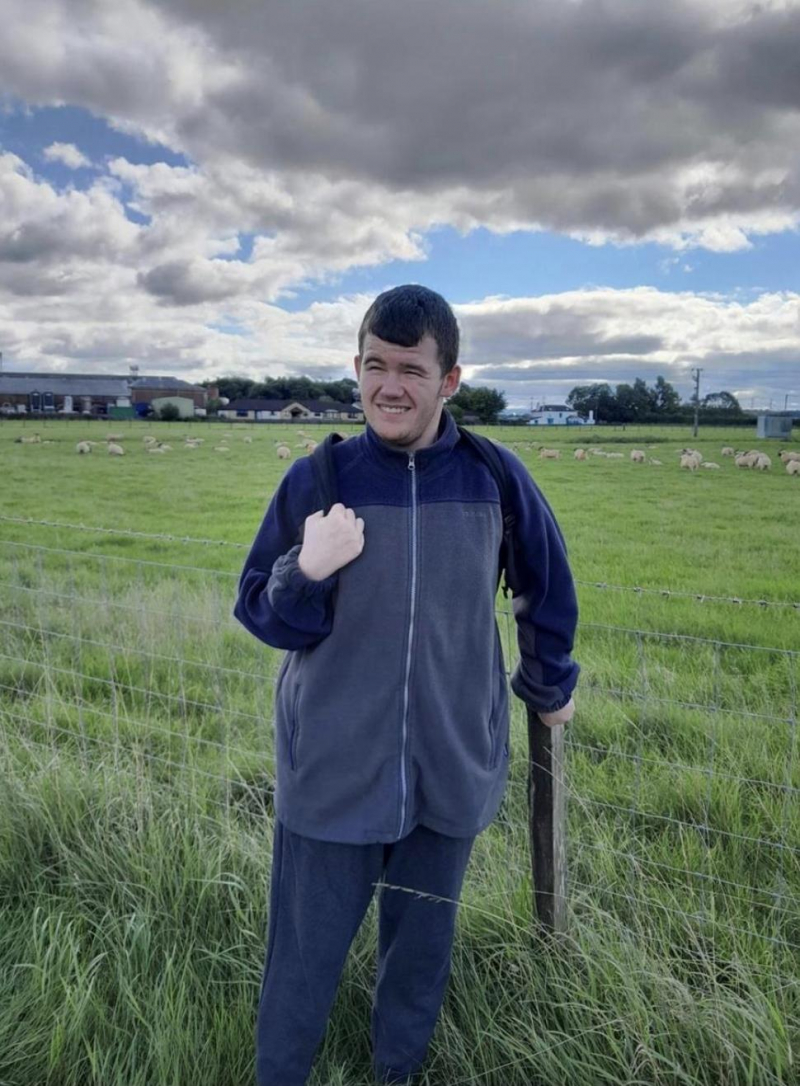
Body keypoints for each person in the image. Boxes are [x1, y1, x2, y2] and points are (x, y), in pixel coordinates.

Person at [234, 284, 579, 1086]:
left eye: (411, 370)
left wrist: (548, 682)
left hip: (448, 769)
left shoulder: (493, 477)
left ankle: (399, 1072)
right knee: (302, 963)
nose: (389, 386)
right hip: (332, 771)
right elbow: (261, 610)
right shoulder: (320, 478)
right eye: (374, 366)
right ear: (356, 368)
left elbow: (544, 588)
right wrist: (305, 570)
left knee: (420, 955)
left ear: (449, 379)